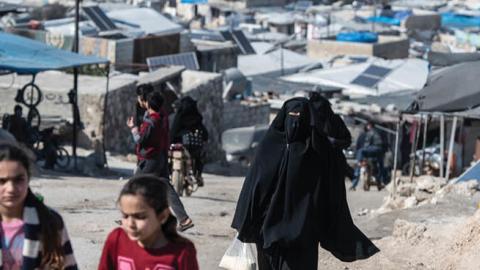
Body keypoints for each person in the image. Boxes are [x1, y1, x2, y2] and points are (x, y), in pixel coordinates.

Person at [232, 97, 379, 270]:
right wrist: (245, 222)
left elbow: (331, 192)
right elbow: (252, 188)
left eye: (300, 117)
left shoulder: (319, 150)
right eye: (292, 116)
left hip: (303, 233)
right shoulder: (269, 147)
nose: (295, 123)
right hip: (268, 231)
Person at [0, 142, 77, 269]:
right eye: (2, 181)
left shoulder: (50, 222)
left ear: (28, 179)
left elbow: (68, 266)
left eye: (18, 180)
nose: (11, 188)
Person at [98, 175, 199, 270]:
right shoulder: (116, 239)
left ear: (162, 216)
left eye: (139, 217)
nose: (130, 224)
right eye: (125, 216)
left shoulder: (183, 252)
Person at [127, 91, 194, 232]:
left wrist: (133, 129)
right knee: (167, 190)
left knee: (133, 186)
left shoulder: (150, 121)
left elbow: (140, 140)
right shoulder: (162, 118)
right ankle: (184, 219)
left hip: (150, 160)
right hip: (160, 158)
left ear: (148, 103)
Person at [170, 96, 208, 186]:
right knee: (199, 157)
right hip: (193, 148)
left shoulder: (179, 116)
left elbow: (173, 132)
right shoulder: (196, 117)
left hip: (178, 146)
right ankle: (197, 175)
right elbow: (204, 133)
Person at [350, 121, 386, 190]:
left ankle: (359, 162)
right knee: (380, 167)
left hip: (373, 151)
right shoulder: (379, 132)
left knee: (361, 152)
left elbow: (366, 145)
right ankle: (381, 182)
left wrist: (361, 157)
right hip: (378, 153)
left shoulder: (370, 132)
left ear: (369, 125)